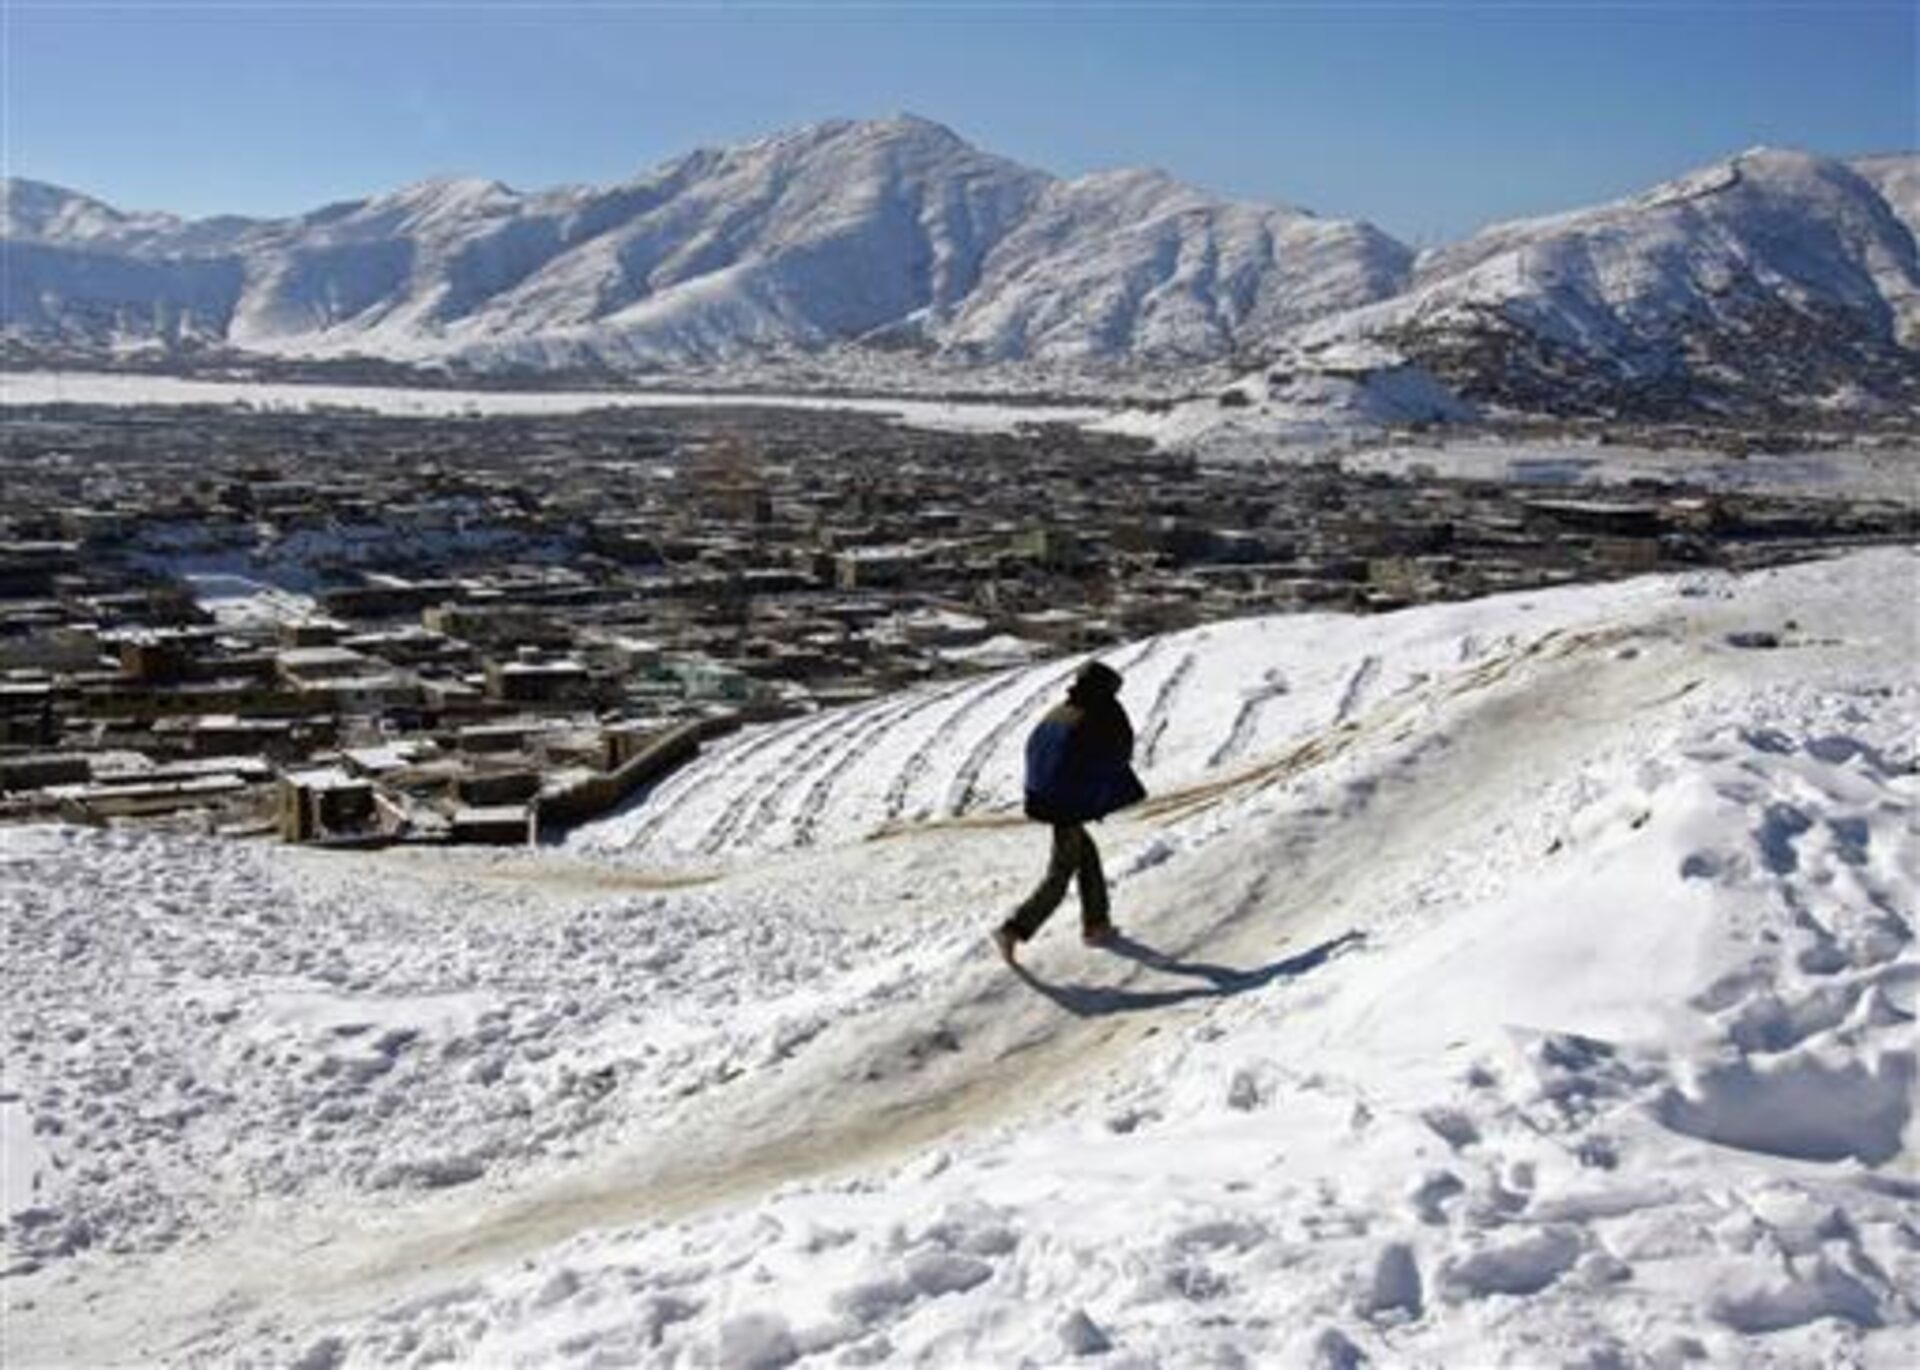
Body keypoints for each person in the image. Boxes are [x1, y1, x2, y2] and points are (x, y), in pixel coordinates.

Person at [994, 660, 1146, 962]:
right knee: (1060, 873)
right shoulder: (1097, 715)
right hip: (1066, 805)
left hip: (1046, 797)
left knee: (1086, 857)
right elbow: (1118, 752)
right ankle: (1014, 929)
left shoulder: (1062, 711)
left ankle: (1097, 925)